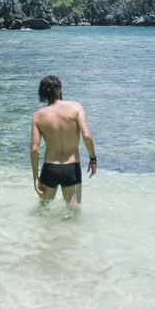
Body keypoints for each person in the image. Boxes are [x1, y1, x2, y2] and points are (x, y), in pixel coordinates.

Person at [30, 75, 96, 209]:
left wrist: (36, 178)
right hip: (71, 168)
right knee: (74, 214)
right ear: (59, 89)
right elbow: (87, 136)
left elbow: (34, 149)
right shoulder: (76, 107)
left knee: (43, 210)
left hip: (50, 168)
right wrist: (93, 159)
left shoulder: (38, 116)